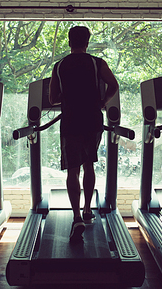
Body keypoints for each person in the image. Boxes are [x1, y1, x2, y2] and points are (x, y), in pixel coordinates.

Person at [49, 26, 119, 243]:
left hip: (71, 119)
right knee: (89, 165)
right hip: (92, 119)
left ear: (69, 42)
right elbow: (113, 85)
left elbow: (52, 99)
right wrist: (102, 102)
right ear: (87, 42)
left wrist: (69, 95)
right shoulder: (97, 63)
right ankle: (88, 209)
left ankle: (77, 216)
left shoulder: (59, 66)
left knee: (72, 170)